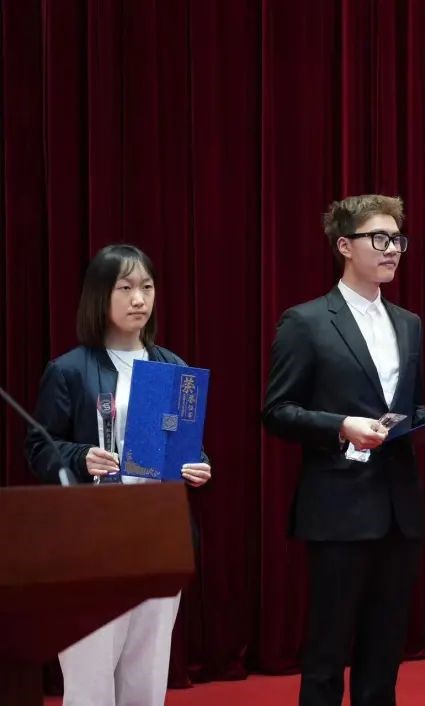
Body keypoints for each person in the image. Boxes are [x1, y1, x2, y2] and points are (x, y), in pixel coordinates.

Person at [262, 195, 425, 706]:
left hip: (399, 506)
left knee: (384, 650)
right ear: (345, 246)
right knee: (328, 649)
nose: (392, 249)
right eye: (380, 238)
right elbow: (277, 411)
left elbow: (406, 407)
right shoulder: (306, 321)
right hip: (337, 507)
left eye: (397, 239)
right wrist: (341, 426)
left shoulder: (408, 322)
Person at [25, 243, 212, 706]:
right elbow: (39, 447)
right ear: (99, 295)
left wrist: (198, 463)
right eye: (125, 288)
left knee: (148, 671)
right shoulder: (69, 370)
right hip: (93, 540)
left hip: (158, 535)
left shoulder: (172, 367)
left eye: (147, 287)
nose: (139, 299)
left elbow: (185, 442)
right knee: (90, 675)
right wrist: (80, 456)